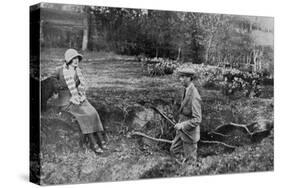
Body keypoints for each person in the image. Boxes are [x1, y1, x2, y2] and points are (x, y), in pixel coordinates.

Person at [52, 49, 107, 154]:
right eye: (73, 59)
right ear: (68, 60)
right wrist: (58, 89)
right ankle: (94, 143)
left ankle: (102, 141)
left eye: (77, 58)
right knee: (86, 115)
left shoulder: (78, 72)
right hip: (66, 102)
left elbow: (81, 86)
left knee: (93, 112)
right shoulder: (60, 70)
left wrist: (78, 94)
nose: (76, 60)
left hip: (78, 98)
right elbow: (52, 82)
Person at [170, 68, 202, 163]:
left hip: (190, 134)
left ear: (189, 78)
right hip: (182, 131)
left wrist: (182, 125)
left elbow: (197, 119)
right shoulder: (187, 90)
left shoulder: (194, 95)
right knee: (174, 150)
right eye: (180, 76)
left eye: (183, 77)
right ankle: (181, 169)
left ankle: (189, 173)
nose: (180, 79)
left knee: (190, 161)